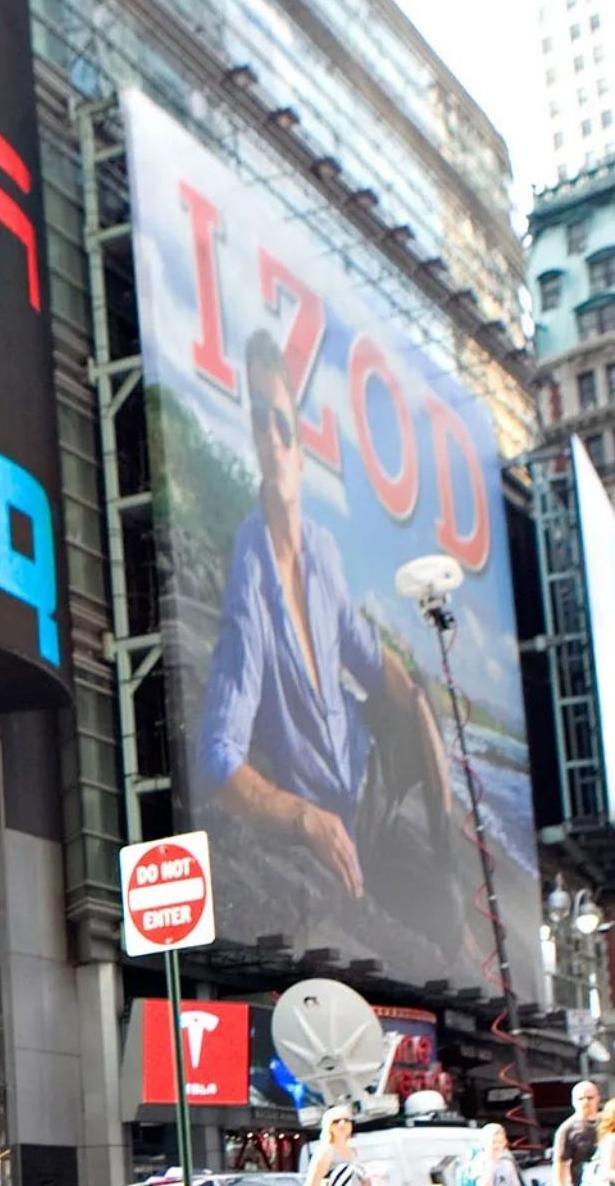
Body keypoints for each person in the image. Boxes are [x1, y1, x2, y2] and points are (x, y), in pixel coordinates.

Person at [194, 328, 476, 965]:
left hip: (367, 777)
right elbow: (216, 757)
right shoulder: (252, 579)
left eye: (283, 424)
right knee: (438, 924)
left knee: (422, 699)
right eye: (259, 421)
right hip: (328, 811)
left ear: (301, 447)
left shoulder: (321, 550)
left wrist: (426, 730)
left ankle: (450, 868)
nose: (271, 437)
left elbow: (372, 661)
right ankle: (446, 905)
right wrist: (303, 819)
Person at [556, 1080, 603, 1186]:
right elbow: (560, 1164)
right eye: (580, 1099)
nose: (585, 1102)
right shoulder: (567, 1129)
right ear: (573, 1101)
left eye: (590, 1098)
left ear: (598, 1098)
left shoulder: (608, 1122)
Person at [304, 1104, 363, 1186]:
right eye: (336, 1121)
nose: (342, 1123)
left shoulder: (354, 1151)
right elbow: (312, 1183)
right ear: (329, 1126)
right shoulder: (325, 1151)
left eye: (346, 1120)